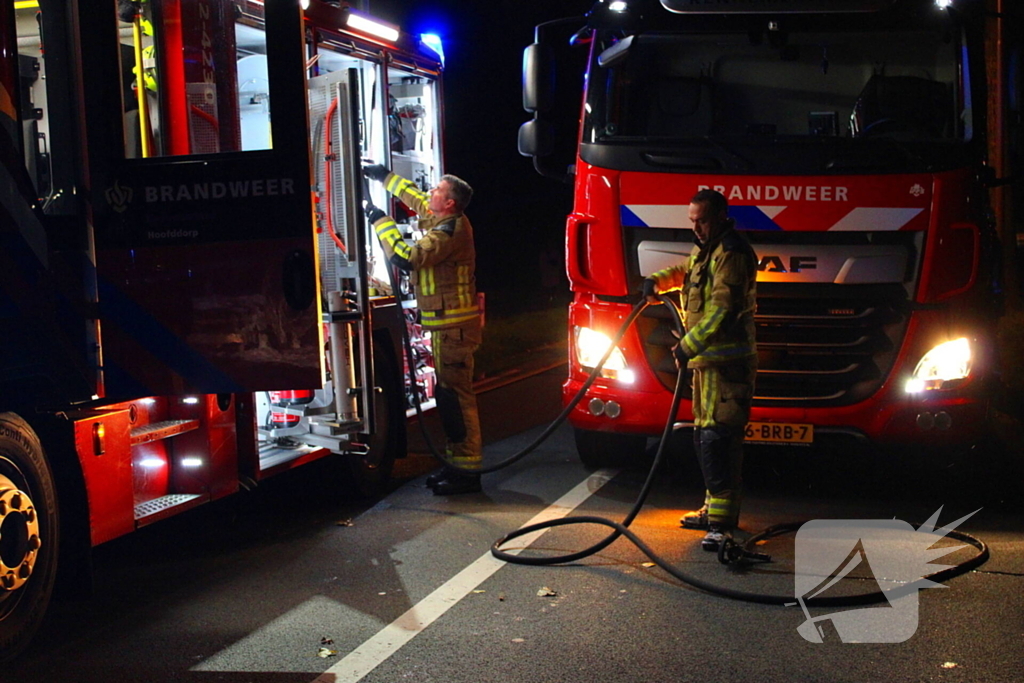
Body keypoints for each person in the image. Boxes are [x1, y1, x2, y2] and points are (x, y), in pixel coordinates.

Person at [642, 189, 757, 551]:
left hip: (727, 366)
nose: (697, 228)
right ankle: (713, 510)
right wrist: (657, 281)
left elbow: (723, 311)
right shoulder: (706, 250)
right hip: (707, 366)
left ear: (721, 216)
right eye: (692, 221)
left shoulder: (733, 254)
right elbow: (686, 273)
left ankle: (722, 523)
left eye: (702, 220)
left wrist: (688, 346)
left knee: (719, 439)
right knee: (704, 436)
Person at [363, 165, 483, 495]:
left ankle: (467, 473)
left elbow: (406, 257)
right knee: (448, 399)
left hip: (454, 329)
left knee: (455, 401)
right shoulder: (443, 217)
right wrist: (383, 176)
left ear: (450, 204)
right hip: (448, 327)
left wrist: (377, 218)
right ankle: (455, 466)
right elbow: (416, 200)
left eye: (437, 192)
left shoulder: (449, 232)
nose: (430, 194)